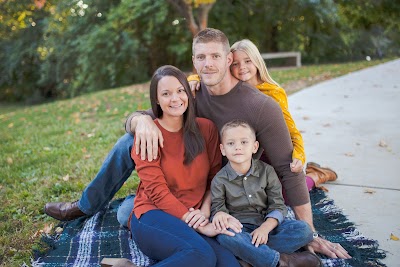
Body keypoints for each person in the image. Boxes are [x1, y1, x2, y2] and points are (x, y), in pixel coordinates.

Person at [44, 28, 350, 259]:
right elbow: (143, 115)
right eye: (201, 57)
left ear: (228, 59)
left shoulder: (260, 106)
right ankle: (85, 206)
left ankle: (259, 252)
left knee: (130, 215)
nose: (208, 64)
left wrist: (311, 232)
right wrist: (141, 122)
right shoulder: (188, 94)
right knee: (130, 146)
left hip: (233, 193)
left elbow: (287, 169)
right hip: (190, 189)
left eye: (216, 56)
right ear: (193, 61)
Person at [108, 65, 242, 267]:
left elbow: (215, 178)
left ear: (188, 93)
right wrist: (199, 224)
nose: (175, 98)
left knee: (229, 265)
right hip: (153, 216)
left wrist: (204, 214)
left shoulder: (207, 129)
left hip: (194, 215)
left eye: (180, 91)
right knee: (202, 256)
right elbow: (157, 192)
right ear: (157, 100)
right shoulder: (148, 136)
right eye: (166, 93)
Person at [188, 38, 338, 192]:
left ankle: (315, 176)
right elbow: (208, 74)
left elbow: (292, 131)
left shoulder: (271, 93)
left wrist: (299, 156)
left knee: (283, 195)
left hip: (268, 152)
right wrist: (193, 79)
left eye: (248, 61)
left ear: (257, 62)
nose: (242, 68)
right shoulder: (228, 88)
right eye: (236, 64)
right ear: (228, 64)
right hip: (243, 153)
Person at [210, 119, 322, 267]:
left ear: (255, 147)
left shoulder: (267, 171)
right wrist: (219, 214)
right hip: (239, 228)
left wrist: (265, 228)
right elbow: (217, 209)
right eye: (231, 143)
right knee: (226, 238)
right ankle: (282, 261)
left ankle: (250, 256)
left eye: (244, 142)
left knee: (303, 230)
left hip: (268, 225)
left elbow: (278, 205)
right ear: (223, 149)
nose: (238, 147)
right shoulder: (219, 180)